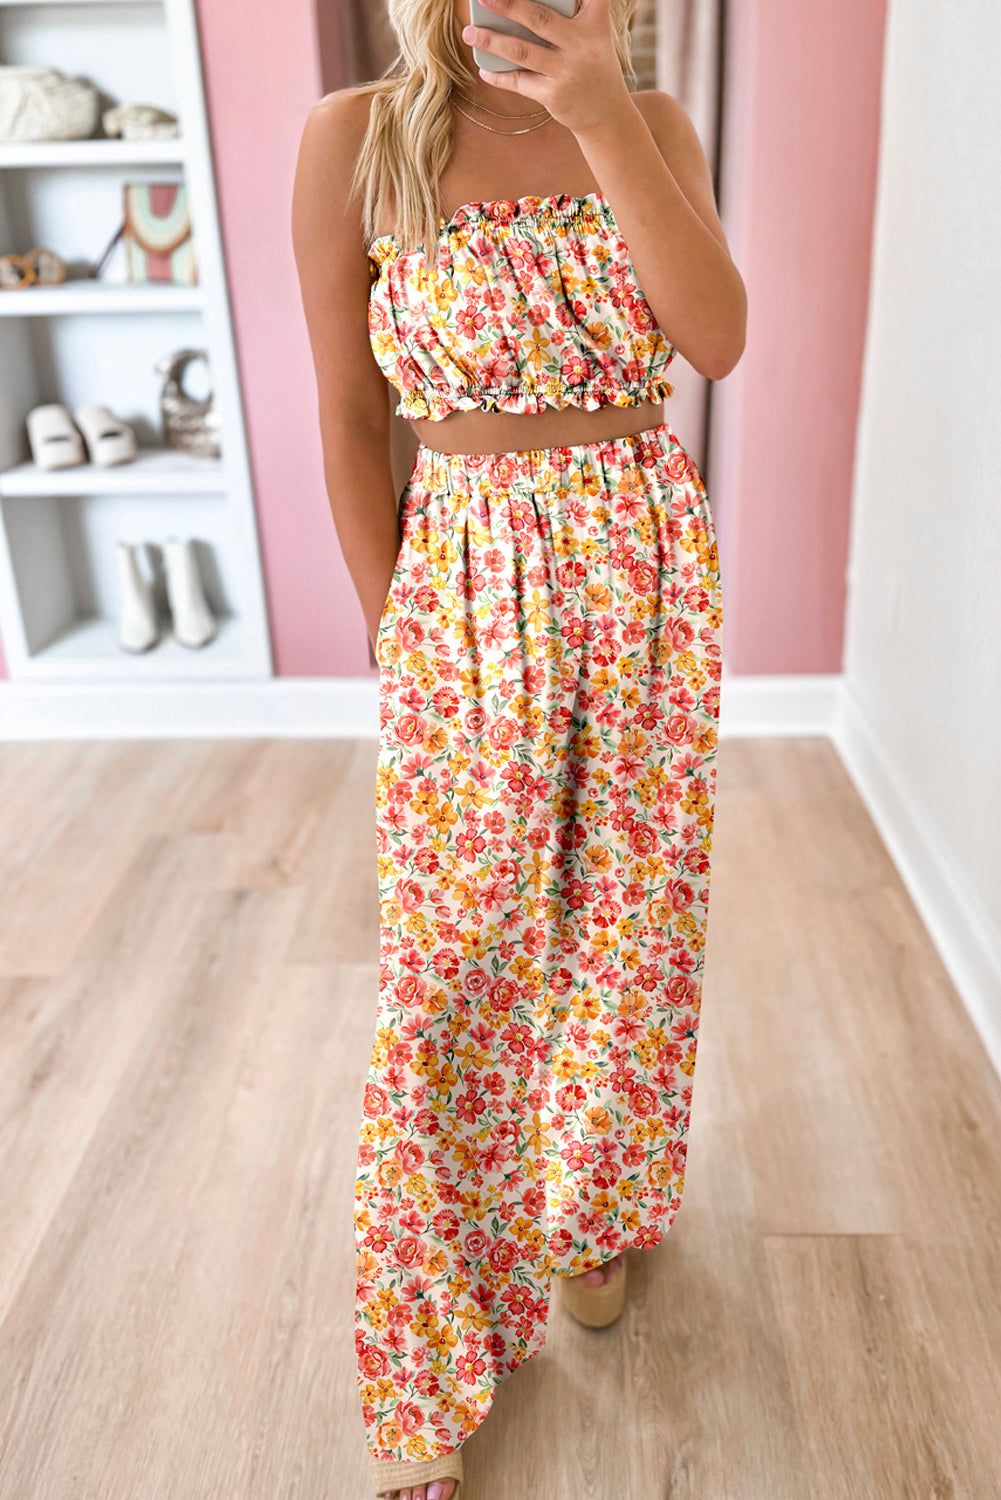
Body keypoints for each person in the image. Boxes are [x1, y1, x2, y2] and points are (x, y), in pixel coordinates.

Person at [292, 0, 745, 1494]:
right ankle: (430, 1364)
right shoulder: (355, 140)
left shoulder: (650, 125)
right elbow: (348, 417)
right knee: (448, 973)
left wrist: (603, 111)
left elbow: (717, 341)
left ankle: (594, 1206)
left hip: (642, 569)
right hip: (464, 587)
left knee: (629, 925)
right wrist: (398, 634)